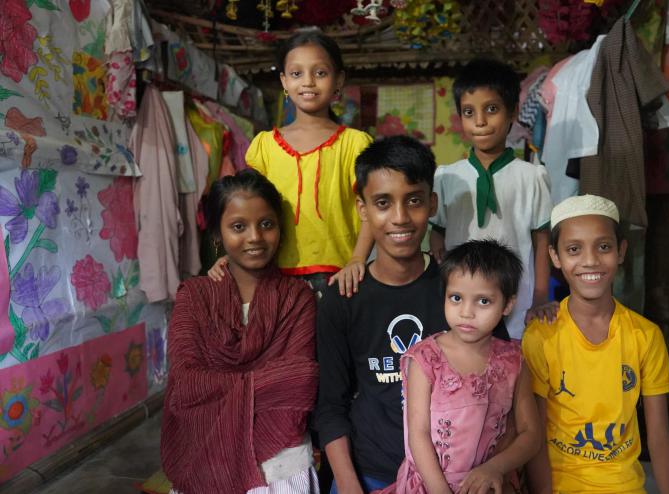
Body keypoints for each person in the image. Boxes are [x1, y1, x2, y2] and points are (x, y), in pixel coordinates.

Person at [315, 136, 511, 494]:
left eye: (414, 201)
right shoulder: (342, 298)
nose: (400, 218)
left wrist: (496, 469)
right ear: (362, 209)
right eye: (383, 203)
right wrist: (348, 486)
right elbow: (330, 407)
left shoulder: (463, 292)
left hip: (459, 477)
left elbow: (502, 387)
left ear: (432, 203)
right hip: (369, 473)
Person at [161, 169, 320, 493]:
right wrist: (267, 384)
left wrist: (221, 392)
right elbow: (186, 384)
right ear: (217, 234)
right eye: (238, 226)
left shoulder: (297, 297)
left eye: (266, 224)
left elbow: (301, 383)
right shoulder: (194, 296)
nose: (255, 238)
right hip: (206, 462)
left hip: (281, 468)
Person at [522, 195, 669, 494]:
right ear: (555, 257)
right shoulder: (541, 336)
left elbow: (658, 434)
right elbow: (536, 436)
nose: (591, 260)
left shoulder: (645, 335)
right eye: (573, 249)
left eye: (603, 246)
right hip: (560, 485)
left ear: (621, 251)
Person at [210, 29, 373, 295]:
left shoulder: (355, 144)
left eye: (320, 73)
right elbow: (248, 210)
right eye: (297, 74)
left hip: (341, 278)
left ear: (338, 80)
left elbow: (370, 211)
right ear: (284, 81)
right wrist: (235, 254)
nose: (308, 82)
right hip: (273, 276)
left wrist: (357, 260)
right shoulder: (264, 146)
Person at [378, 239, 542, 494]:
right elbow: (418, 435)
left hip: (489, 485)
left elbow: (531, 434)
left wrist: (495, 468)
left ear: (507, 305)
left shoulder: (514, 361)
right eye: (456, 298)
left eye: (483, 301)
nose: (466, 312)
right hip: (430, 485)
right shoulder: (425, 358)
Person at [429, 58, 556, 340]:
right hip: (463, 305)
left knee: (513, 369)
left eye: (491, 109)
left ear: (512, 112)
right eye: (469, 112)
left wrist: (539, 296)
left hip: (517, 302)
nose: (480, 121)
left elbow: (542, 241)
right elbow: (437, 234)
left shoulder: (532, 176)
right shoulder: (447, 177)